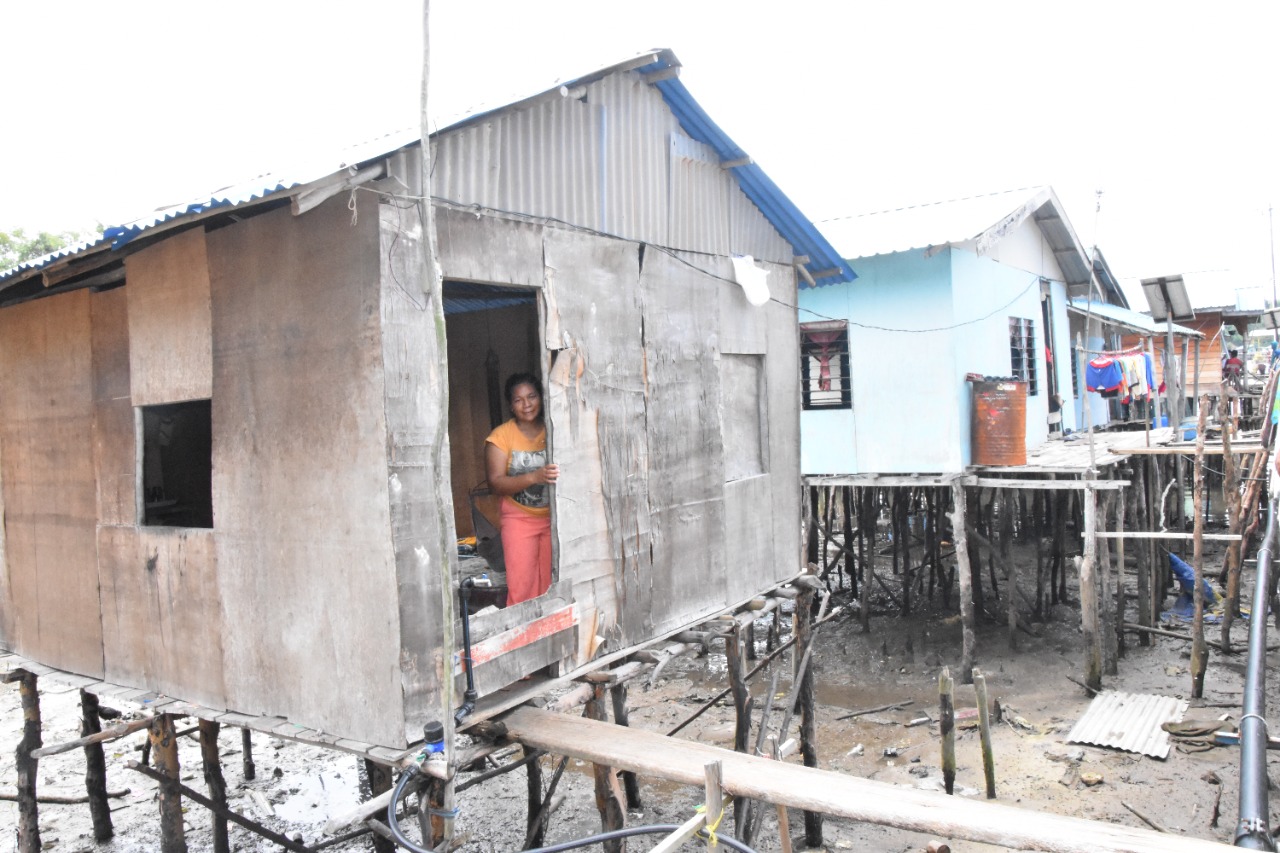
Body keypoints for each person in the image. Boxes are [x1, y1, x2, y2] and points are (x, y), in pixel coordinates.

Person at [485, 373, 558, 606]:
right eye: (518, 400)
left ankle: (548, 635)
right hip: (519, 518)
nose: (527, 405)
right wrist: (534, 477)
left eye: (532, 397)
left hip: (554, 520)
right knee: (521, 584)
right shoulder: (500, 437)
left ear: (541, 398)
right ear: (511, 405)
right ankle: (521, 637)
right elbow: (495, 483)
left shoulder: (554, 429)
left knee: (550, 583)